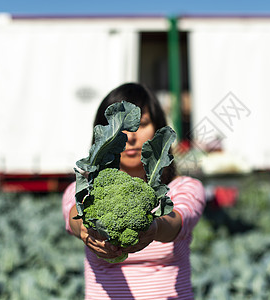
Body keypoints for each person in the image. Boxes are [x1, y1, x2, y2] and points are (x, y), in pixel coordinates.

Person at [62, 83, 206, 299]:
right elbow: (73, 215)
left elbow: (180, 220)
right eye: (120, 128)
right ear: (103, 136)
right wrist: (84, 229)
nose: (130, 136)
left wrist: (155, 227)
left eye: (142, 124)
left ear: (157, 129)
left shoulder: (184, 187)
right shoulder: (84, 190)